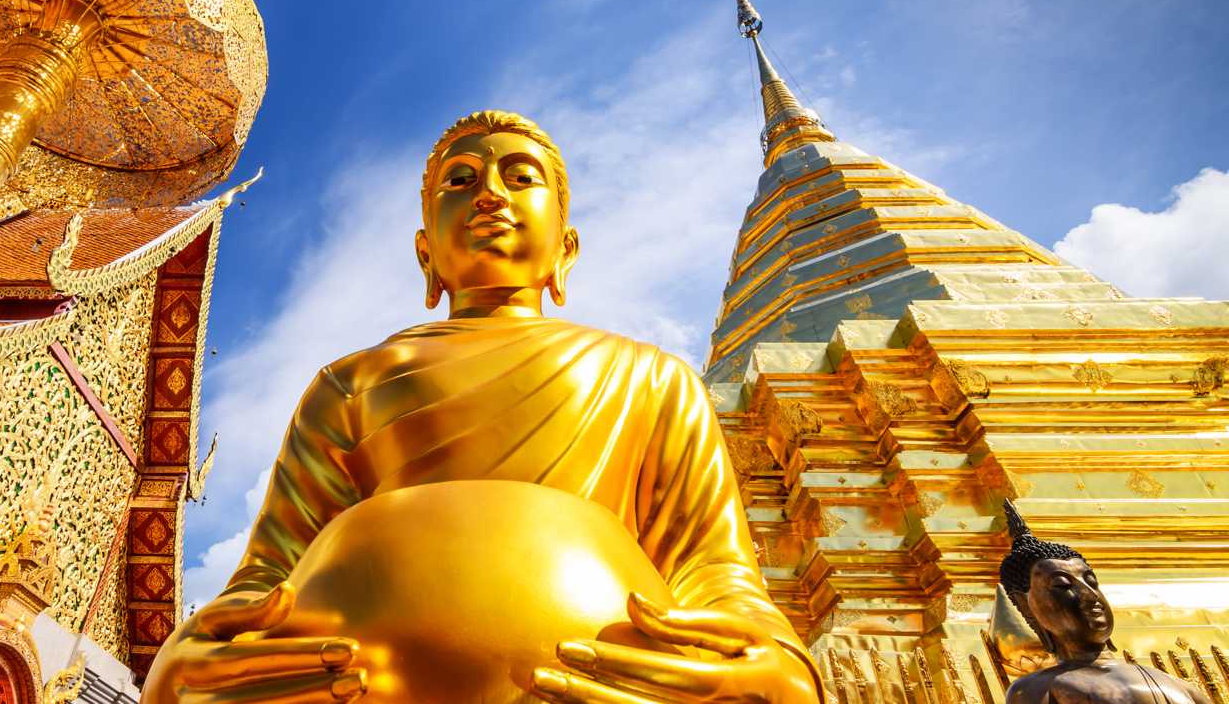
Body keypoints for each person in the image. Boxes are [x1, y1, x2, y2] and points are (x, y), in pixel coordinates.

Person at [143, 111, 821, 703]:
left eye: (521, 177)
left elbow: (717, 577)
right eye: (459, 181)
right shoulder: (350, 384)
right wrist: (181, 665)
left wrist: (779, 669)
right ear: (425, 252)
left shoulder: (650, 378)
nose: (490, 193)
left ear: (567, 247)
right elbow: (265, 581)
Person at [1000, 500, 1209, 704]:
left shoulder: (1180, 687)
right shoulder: (1035, 691)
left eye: (1092, 582)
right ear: (1026, 604)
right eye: (1063, 585)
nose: (1090, 595)